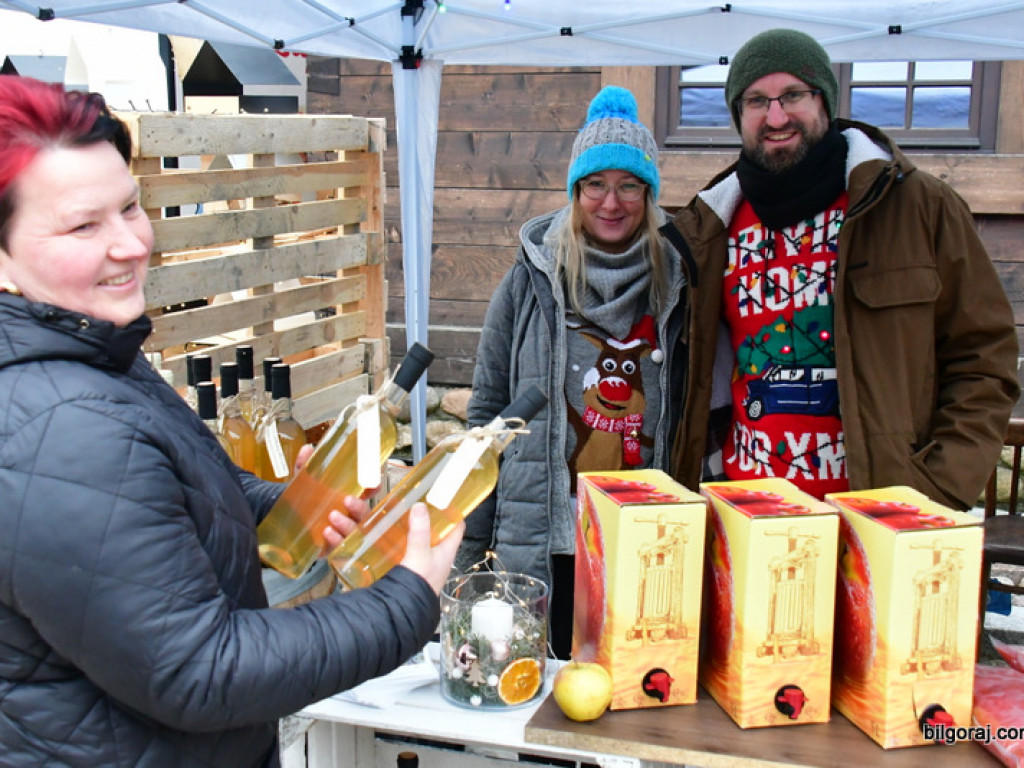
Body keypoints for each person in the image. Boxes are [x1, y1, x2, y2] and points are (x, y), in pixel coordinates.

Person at [0, 75, 462, 767]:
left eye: (130, 207)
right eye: (82, 226)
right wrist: (406, 600)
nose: (130, 244)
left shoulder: (90, 351)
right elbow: (202, 671)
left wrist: (296, 504)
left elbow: (170, 491)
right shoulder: (61, 425)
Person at [662, 28, 1019, 508]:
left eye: (793, 95)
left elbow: (984, 356)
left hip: (878, 516)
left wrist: (939, 487)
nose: (776, 116)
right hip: (744, 514)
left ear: (825, 102)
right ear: (738, 115)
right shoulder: (708, 228)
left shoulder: (916, 206)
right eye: (756, 101)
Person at [459, 86, 687, 659]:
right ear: (575, 191)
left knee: (635, 686)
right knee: (542, 683)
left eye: (629, 185)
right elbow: (486, 417)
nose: (611, 202)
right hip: (546, 541)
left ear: (649, 193)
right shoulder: (529, 280)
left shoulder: (680, 282)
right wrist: (469, 546)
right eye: (595, 185)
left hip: (645, 538)